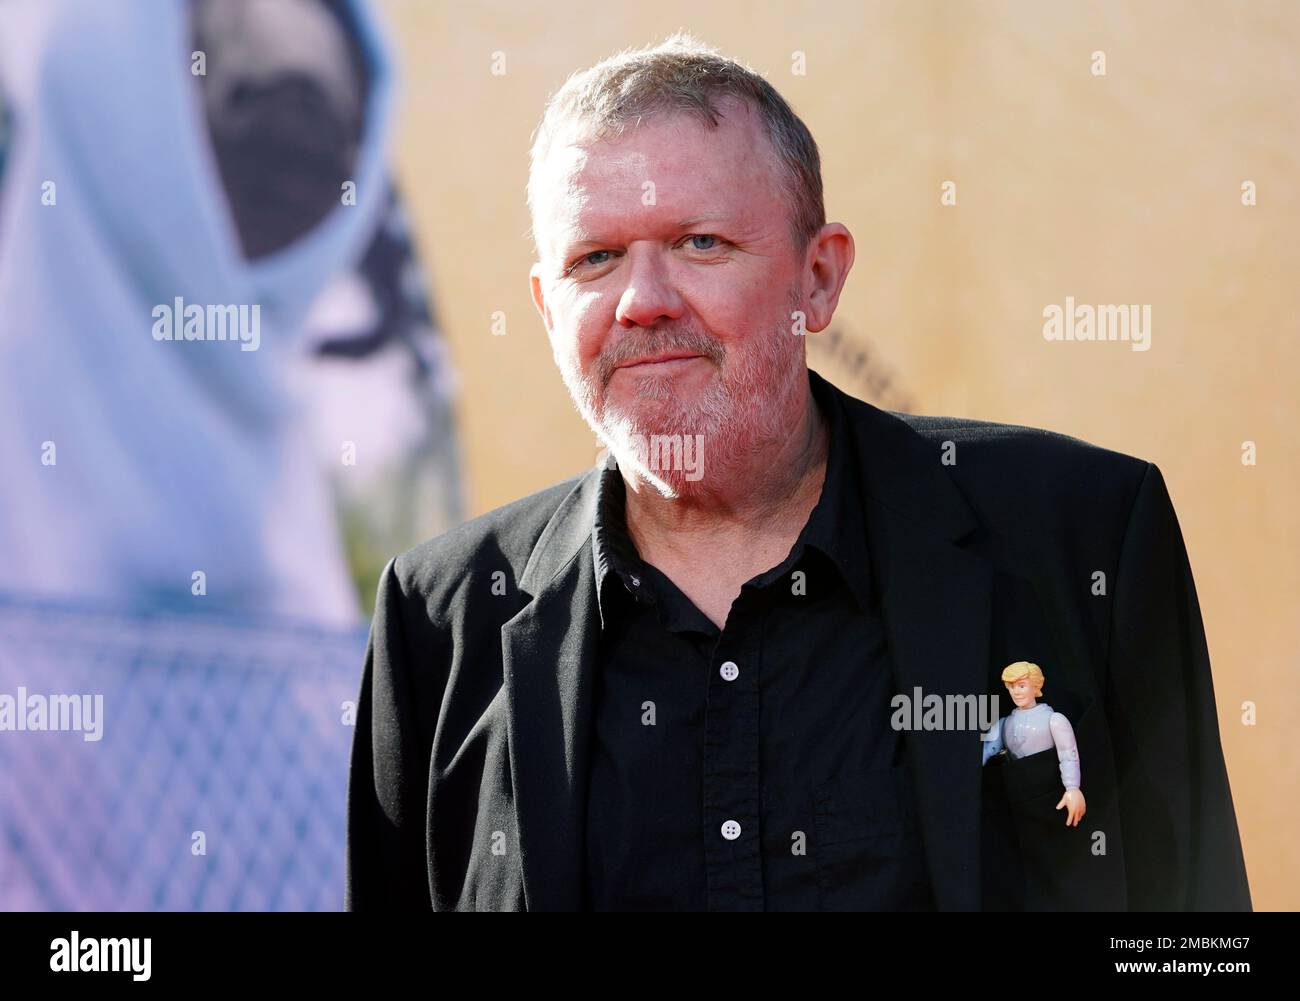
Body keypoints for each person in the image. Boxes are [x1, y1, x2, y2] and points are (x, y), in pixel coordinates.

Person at [345, 33, 1251, 911]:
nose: (643, 301)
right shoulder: (440, 620)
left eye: (701, 243)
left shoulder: (1081, 536)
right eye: (596, 258)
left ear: (818, 279)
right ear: (547, 309)